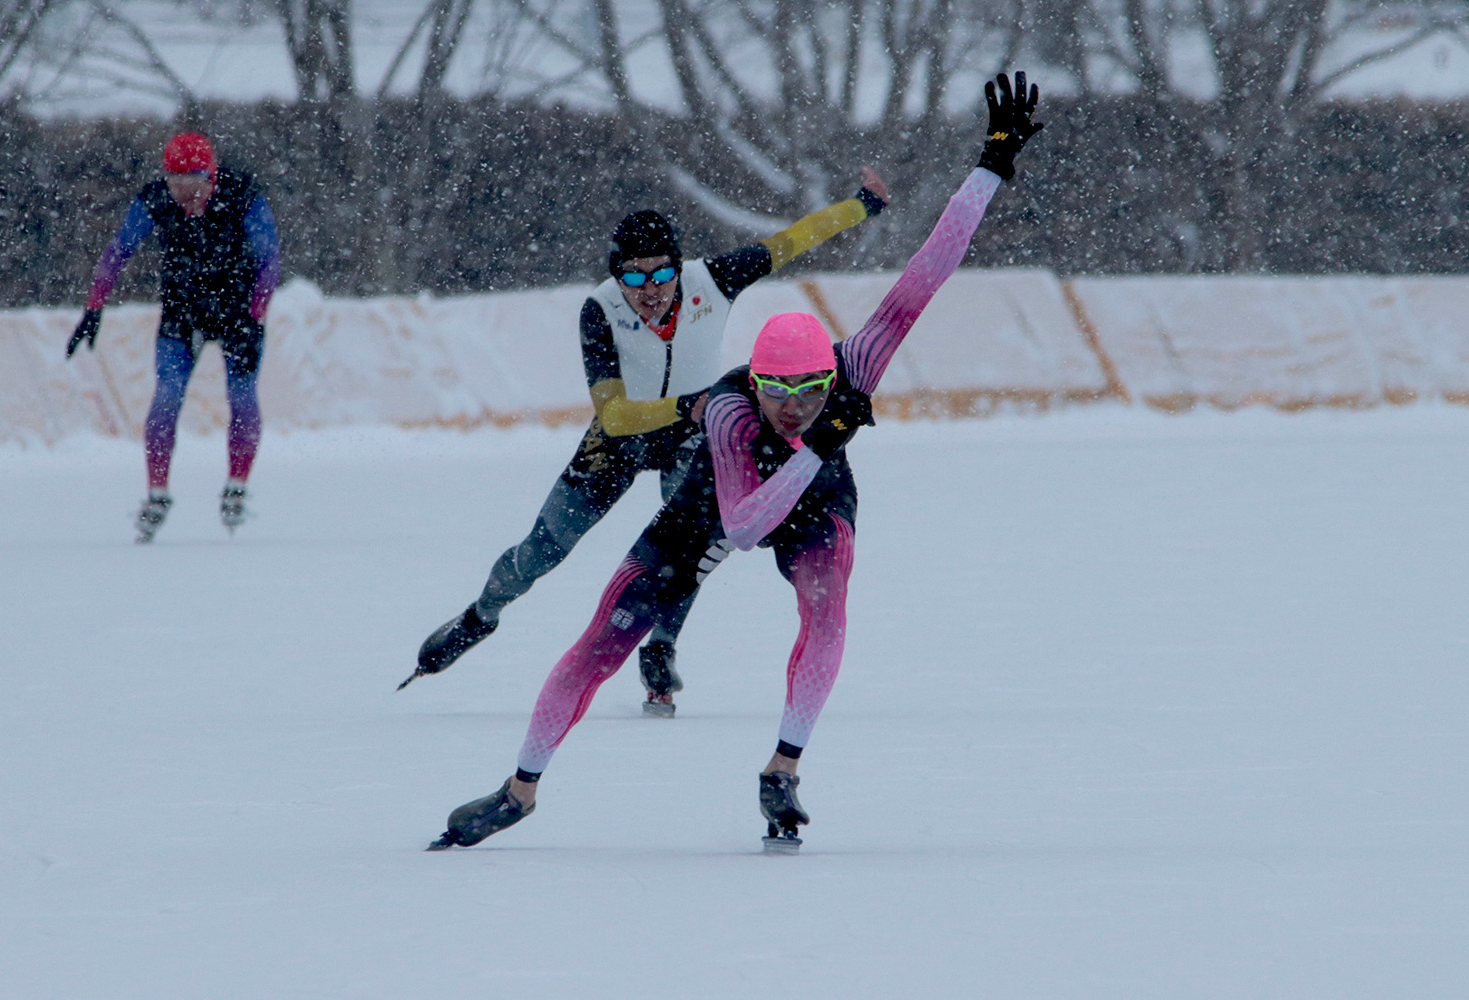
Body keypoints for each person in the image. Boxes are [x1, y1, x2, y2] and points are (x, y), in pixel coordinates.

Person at [425, 72, 1044, 852]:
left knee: (828, 610)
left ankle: (783, 767)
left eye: (810, 392)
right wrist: (821, 441)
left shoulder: (853, 364)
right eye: (777, 392)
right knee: (598, 640)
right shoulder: (727, 407)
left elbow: (925, 273)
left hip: (813, 502)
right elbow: (745, 527)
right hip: (717, 501)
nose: (793, 406)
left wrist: (989, 168)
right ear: (756, 381)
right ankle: (520, 788)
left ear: (830, 375)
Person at [403, 165, 893, 712]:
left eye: (662, 274)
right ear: (617, 278)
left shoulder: (714, 280)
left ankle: (660, 647)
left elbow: (793, 240)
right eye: (634, 279)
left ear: (679, 267)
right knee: (542, 550)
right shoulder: (600, 311)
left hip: (692, 438)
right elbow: (613, 416)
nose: (651, 290)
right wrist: (686, 405)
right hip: (623, 439)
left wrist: (862, 205)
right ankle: (482, 614)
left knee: (683, 549)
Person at [66, 131, 281, 543]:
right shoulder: (156, 198)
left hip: (237, 310)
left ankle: (237, 484)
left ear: (211, 177)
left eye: (193, 186)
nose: (184, 196)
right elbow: (118, 250)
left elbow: (269, 259)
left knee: (241, 394)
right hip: (184, 310)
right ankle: (157, 492)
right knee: (166, 396)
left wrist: (256, 312)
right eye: (175, 184)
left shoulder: (241, 194)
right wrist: (93, 308)